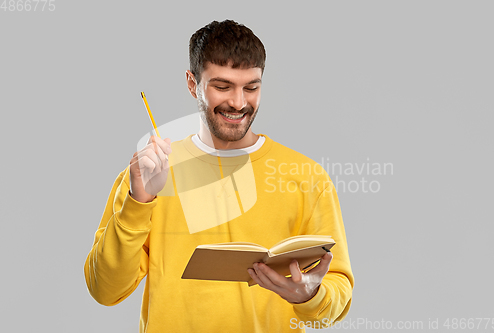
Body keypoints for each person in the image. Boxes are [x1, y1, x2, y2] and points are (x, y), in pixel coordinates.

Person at [84, 19, 354, 332]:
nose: (239, 103)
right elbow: (104, 290)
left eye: (251, 87)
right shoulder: (148, 175)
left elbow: (336, 301)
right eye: (222, 86)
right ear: (192, 83)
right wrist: (138, 202)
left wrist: (312, 295)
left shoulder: (307, 177)